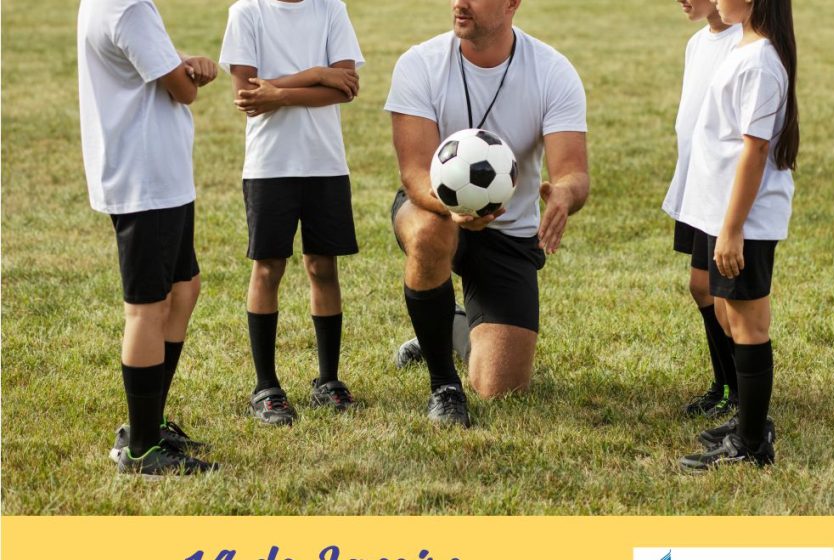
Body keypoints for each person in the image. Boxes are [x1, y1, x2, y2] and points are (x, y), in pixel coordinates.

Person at [385, 0, 589, 426]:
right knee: (427, 233)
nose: (459, 2)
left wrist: (563, 196)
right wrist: (450, 207)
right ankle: (444, 386)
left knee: (501, 386)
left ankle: (450, 327)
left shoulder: (552, 71)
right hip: (434, 210)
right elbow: (415, 173)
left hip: (509, 232)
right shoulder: (419, 64)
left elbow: (572, 172)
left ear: (512, 3)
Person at [78, 0, 219, 474]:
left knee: (184, 288)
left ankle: (149, 423)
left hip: (159, 176)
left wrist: (181, 65)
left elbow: (156, 65)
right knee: (147, 307)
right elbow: (182, 91)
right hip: (145, 180)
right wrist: (193, 74)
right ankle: (140, 450)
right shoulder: (128, 7)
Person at [219, 0, 365, 425]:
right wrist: (317, 74)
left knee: (324, 266)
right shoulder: (247, 12)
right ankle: (266, 387)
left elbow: (346, 88)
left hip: (325, 162)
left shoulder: (330, 9)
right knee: (268, 267)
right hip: (270, 164)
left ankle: (328, 380)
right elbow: (246, 95)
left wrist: (280, 92)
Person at [678, 0, 798, 470]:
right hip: (717, 213)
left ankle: (752, 445)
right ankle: (749, 423)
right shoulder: (742, 48)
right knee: (727, 314)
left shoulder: (762, 61)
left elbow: (755, 151)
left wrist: (732, 230)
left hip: (740, 220)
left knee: (749, 324)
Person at [663, 0, 742, 418]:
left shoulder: (743, 44)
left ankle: (739, 390)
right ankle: (724, 382)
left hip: (722, 192)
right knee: (700, 287)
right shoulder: (697, 43)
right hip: (696, 187)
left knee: (727, 297)